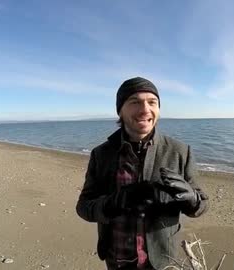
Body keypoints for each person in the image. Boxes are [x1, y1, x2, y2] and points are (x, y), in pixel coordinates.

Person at [76, 77, 209, 270]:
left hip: (162, 260)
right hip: (117, 258)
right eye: (135, 102)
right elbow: (84, 207)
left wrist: (190, 198)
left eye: (152, 102)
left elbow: (202, 205)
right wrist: (111, 204)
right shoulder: (102, 154)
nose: (145, 109)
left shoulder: (179, 151)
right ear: (120, 110)